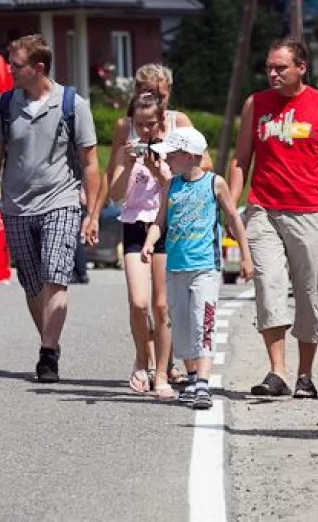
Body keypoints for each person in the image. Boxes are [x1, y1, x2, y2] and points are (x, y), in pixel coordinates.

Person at [227, 36, 318, 399]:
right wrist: (232, 207)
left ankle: (305, 375)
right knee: (269, 287)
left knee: (310, 296)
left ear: (301, 68)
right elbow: (240, 160)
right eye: (269, 67)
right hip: (263, 209)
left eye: (281, 67)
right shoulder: (256, 104)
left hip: (309, 212)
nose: (273, 73)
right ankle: (277, 372)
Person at [0, 34, 100, 383]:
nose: (9, 70)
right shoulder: (3, 106)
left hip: (60, 200)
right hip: (16, 206)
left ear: (38, 67)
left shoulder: (72, 104)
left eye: (16, 65)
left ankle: (47, 353)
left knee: (54, 275)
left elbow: (90, 163)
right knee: (32, 285)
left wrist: (91, 213)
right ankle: (51, 341)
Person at [92, 64, 208, 391]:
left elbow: (197, 172)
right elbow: (114, 189)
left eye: (156, 93)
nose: (142, 131)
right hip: (134, 224)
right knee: (139, 302)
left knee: (163, 303)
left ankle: (163, 371)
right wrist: (128, 165)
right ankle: (144, 359)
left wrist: (162, 168)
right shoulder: (125, 130)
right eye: (143, 90)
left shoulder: (177, 129)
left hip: (167, 225)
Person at [142, 127, 253, 408]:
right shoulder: (171, 185)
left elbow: (234, 219)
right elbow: (160, 221)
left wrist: (245, 256)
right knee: (180, 327)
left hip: (205, 266)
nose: (165, 159)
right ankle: (192, 377)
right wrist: (149, 242)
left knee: (202, 322)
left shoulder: (215, 184)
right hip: (175, 266)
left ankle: (203, 383)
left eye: (171, 154)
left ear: (189, 156)